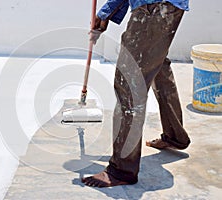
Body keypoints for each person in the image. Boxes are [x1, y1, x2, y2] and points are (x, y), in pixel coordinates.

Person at [81, 0, 191, 187]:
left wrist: (106, 12)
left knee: (129, 82)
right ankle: (175, 136)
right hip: (165, 6)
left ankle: (122, 170)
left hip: (154, 8)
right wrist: (108, 13)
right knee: (158, 67)